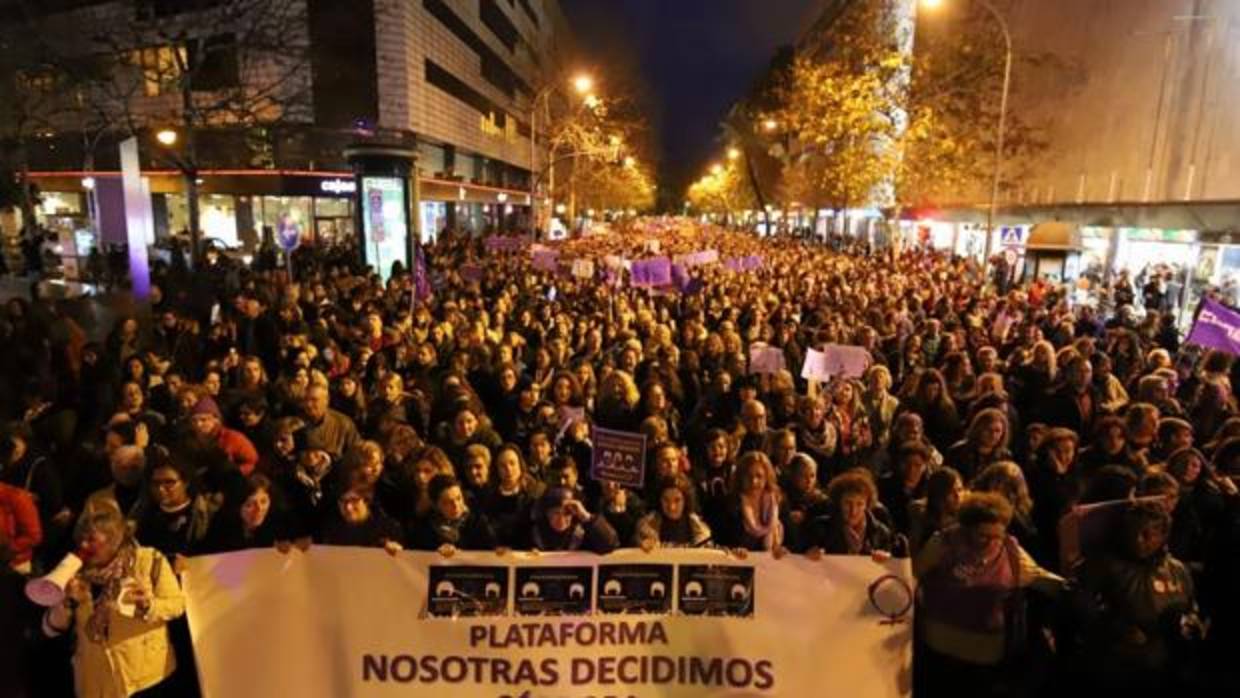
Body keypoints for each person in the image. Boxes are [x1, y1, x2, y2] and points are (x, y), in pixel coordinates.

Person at [915, 492, 1065, 695]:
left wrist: (1072, 589)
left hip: (985, 651)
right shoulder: (943, 543)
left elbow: (1038, 577)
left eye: (996, 536)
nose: (989, 542)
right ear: (967, 527)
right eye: (982, 535)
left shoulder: (1010, 550)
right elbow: (914, 574)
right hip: (942, 645)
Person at [42, 505, 185, 698]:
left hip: (148, 678)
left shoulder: (149, 559)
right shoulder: (74, 572)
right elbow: (50, 629)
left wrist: (147, 606)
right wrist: (65, 602)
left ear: (114, 539)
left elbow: (177, 604)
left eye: (91, 539)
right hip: (97, 685)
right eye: (80, 539)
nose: (83, 545)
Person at [1071, 501, 1205, 691]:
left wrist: (1190, 621)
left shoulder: (1177, 570)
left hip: (1166, 667)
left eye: (1146, 534)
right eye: (1132, 532)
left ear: (1163, 536)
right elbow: (1079, 606)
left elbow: (1190, 606)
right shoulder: (1102, 565)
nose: (1137, 540)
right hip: (1119, 667)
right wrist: (1115, 627)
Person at [801, 469, 906, 558]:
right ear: (839, 502)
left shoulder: (881, 533)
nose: (853, 511)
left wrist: (886, 559)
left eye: (859, 504)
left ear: (867, 505)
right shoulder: (820, 528)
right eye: (848, 503)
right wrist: (808, 557)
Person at [408, 475, 498, 554]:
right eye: (447, 502)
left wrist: (461, 555)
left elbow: (490, 553)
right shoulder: (425, 528)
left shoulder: (478, 523)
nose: (456, 505)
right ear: (436, 505)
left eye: (459, 498)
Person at [525, 487, 619, 554]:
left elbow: (609, 545)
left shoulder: (581, 534)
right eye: (556, 513)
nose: (561, 519)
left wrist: (586, 516)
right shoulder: (534, 534)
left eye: (567, 513)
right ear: (547, 513)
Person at [636, 473, 712, 549]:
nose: (671, 507)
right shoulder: (646, 528)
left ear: (686, 500)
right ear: (659, 500)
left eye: (677, 500)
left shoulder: (700, 530)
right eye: (666, 500)